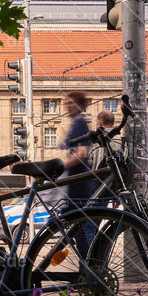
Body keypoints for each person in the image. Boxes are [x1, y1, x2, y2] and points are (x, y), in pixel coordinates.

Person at [60, 91, 96, 259]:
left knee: (79, 228)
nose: (68, 106)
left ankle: (87, 267)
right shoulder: (76, 124)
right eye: (66, 103)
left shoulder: (81, 123)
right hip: (75, 182)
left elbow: (82, 153)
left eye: (72, 103)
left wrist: (60, 168)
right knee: (76, 227)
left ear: (81, 106)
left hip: (79, 183)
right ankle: (86, 267)